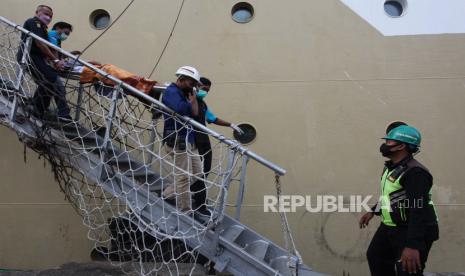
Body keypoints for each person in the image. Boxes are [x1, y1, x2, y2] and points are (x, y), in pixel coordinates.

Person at [359, 124, 439, 275]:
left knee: (407, 270)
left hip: (411, 229)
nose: (385, 145)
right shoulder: (392, 167)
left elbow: (418, 209)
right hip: (391, 226)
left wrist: (412, 245)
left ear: (400, 146)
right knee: (376, 257)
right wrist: (373, 211)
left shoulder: (416, 173)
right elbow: (393, 196)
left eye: (389, 141)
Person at [190, 77, 244, 215]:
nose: (205, 92)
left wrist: (231, 125)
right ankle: (199, 204)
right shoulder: (189, 99)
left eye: (207, 90)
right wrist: (193, 96)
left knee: (206, 170)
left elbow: (212, 118)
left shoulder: (202, 104)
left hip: (203, 138)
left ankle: (195, 195)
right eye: (203, 89)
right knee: (198, 172)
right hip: (192, 139)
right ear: (196, 86)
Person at [18, 5, 71, 122]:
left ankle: (38, 107)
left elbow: (48, 48)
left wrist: (55, 60)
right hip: (29, 55)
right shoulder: (33, 22)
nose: (48, 17)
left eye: (50, 16)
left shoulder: (43, 28)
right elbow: (40, 44)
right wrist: (55, 60)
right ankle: (37, 107)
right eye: (46, 14)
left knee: (49, 81)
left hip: (37, 57)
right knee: (50, 79)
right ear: (37, 12)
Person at [161, 66, 203, 213]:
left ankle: (167, 194)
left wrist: (194, 99)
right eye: (191, 84)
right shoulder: (171, 92)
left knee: (198, 173)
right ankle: (186, 210)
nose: (193, 88)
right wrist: (190, 102)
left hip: (188, 139)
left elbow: (195, 113)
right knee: (183, 176)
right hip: (178, 140)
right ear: (181, 79)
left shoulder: (186, 94)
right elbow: (180, 109)